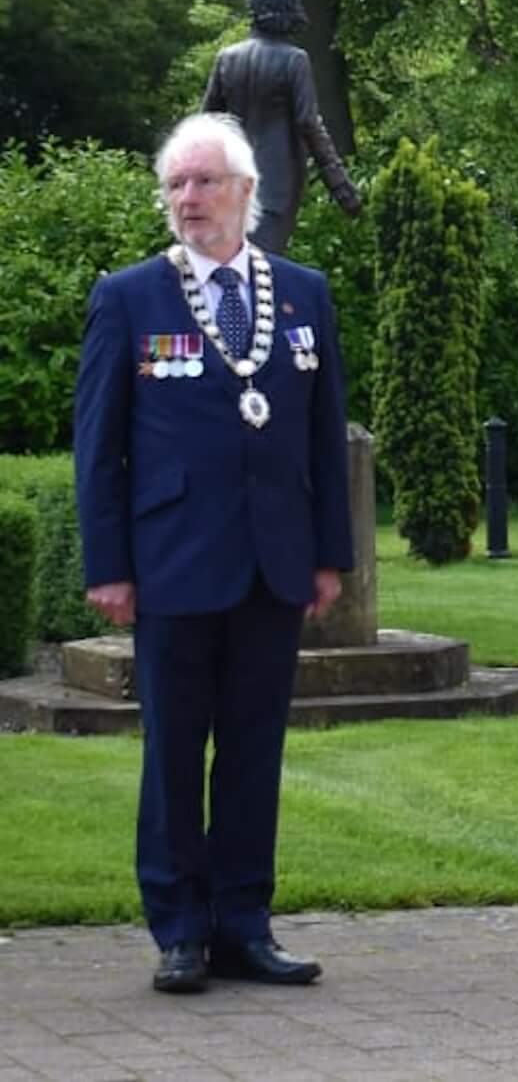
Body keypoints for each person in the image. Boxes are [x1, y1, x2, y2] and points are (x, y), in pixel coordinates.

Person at [74, 112, 354, 994]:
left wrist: (329, 555)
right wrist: (108, 564)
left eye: (203, 182)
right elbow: (98, 444)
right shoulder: (130, 296)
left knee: (253, 749)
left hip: (274, 563)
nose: (188, 200)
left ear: (244, 190)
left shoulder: (303, 292)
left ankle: (245, 922)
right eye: (176, 185)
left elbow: (321, 435)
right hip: (173, 562)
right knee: (174, 751)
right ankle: (180, 930)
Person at [200, 0, 362, 254]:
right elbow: (309, 123)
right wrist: (341, 187)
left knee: (232, 260)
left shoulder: (227, 58)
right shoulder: (294, 60)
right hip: (277, 180)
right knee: (263, 265)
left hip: (229, 178)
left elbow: (205, 123)